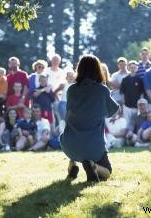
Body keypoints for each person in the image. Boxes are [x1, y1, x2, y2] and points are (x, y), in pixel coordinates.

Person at [60, 54, 119, 182]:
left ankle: (73, 165)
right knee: (107, 172)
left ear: (79, 69)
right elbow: (112, 111)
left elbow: (70, 110)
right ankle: (93, 165)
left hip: (69, 143)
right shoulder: (102, 90)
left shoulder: (71, 90)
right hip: (94, 146)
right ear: (97, 69)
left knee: (76, 142)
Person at [120, 60, 144, 128]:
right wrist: (123, 100)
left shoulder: (139, 79)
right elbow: (122, 92)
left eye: (134, 67)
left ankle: (135, 136)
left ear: (136, 68)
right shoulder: (125, 79)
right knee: (126, 121)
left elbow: (142, 92)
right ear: (128, 68)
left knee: (136, 121)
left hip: (136, 105)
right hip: (127, 105)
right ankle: (126, 136)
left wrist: (141, 102)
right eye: (131, 67)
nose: (133, 69)